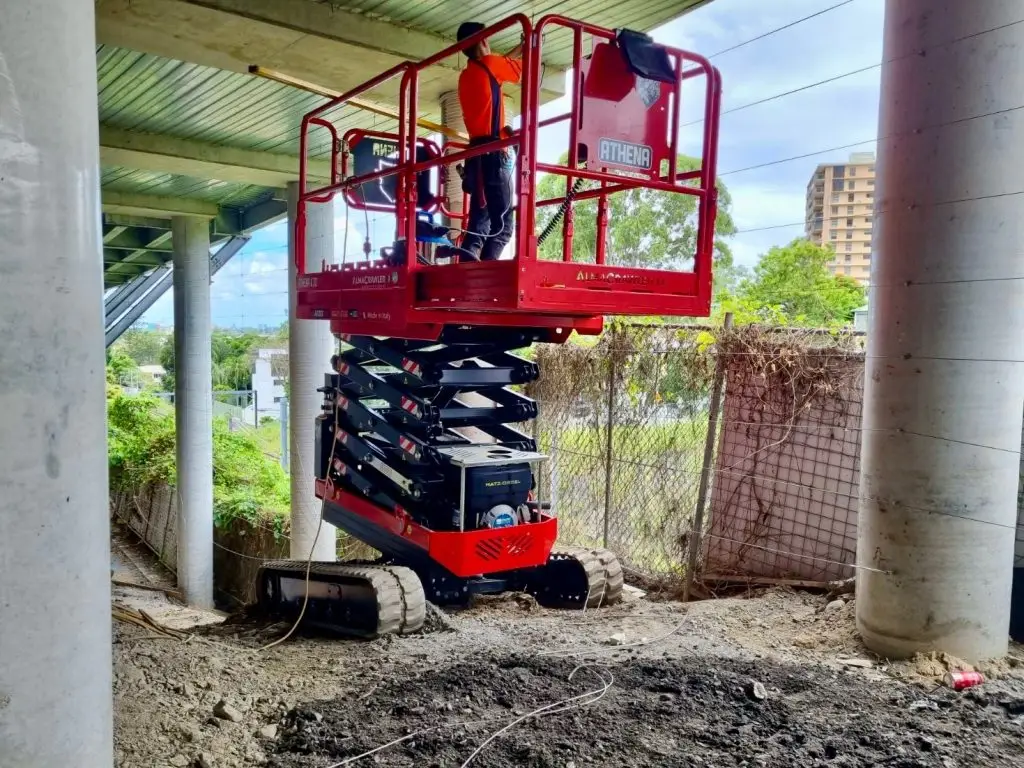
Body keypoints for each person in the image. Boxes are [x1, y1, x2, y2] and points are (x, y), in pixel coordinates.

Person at [455, 21, 523, 261]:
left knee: (478, 228)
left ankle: (466, 276)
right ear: (484, 41)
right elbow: (518, 70)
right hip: (495, 157)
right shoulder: (492, 66)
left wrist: (518, 48)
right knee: (502, 228)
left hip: (476, 158)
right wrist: (532, 46)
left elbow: (497, 69)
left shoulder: (468, 75)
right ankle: (486, 278)